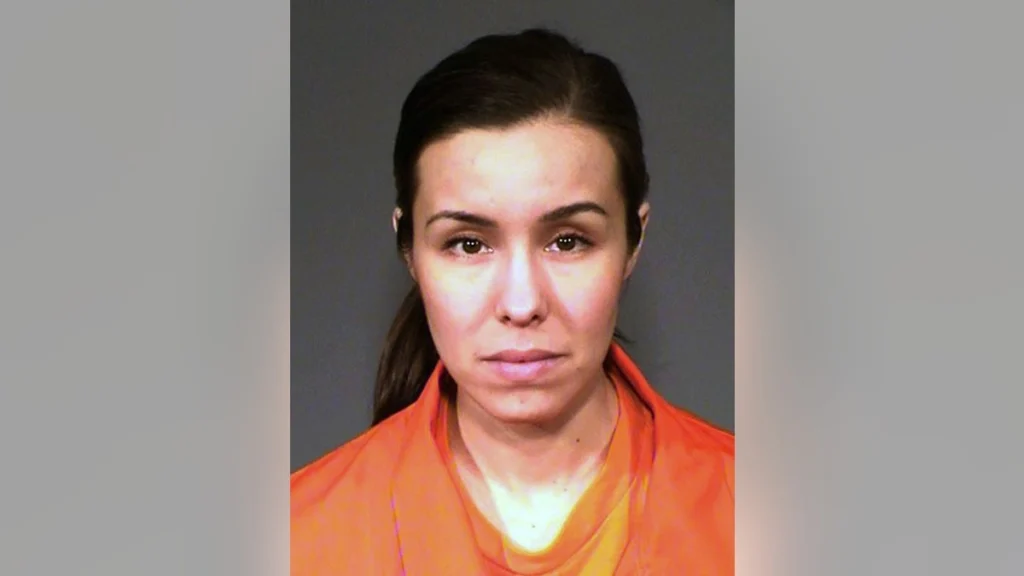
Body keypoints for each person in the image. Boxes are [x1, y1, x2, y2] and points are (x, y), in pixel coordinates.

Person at [291, 28, 734, 575]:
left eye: (567, 241)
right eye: (468, 244)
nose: (522, 304)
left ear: (632, 242)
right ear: (410, 251)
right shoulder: (296, 539)